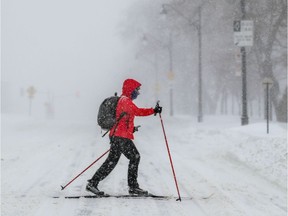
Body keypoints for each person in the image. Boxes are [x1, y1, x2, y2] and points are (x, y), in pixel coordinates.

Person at [86, 78, 162, 195]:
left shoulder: (124, 101)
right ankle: (133, 187)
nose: (138, 92)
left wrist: (132, 129)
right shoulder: (125, 101)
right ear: (131, 89)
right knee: (135, 157)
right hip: (120, 137)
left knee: (112, 161)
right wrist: (153, 110)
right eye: (137, 89)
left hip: (118, 136)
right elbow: (137, 111)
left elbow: (123, 120)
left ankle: (93, 183)